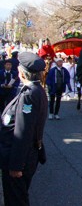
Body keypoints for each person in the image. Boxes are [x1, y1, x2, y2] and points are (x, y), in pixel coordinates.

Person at [0, 52, 48, 206]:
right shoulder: (37, 90)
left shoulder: (29, 95)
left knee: (15, 200)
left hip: (19, 159)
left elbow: (23, 131)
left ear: (21, 73)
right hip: (27, 155)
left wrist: (16, 165)